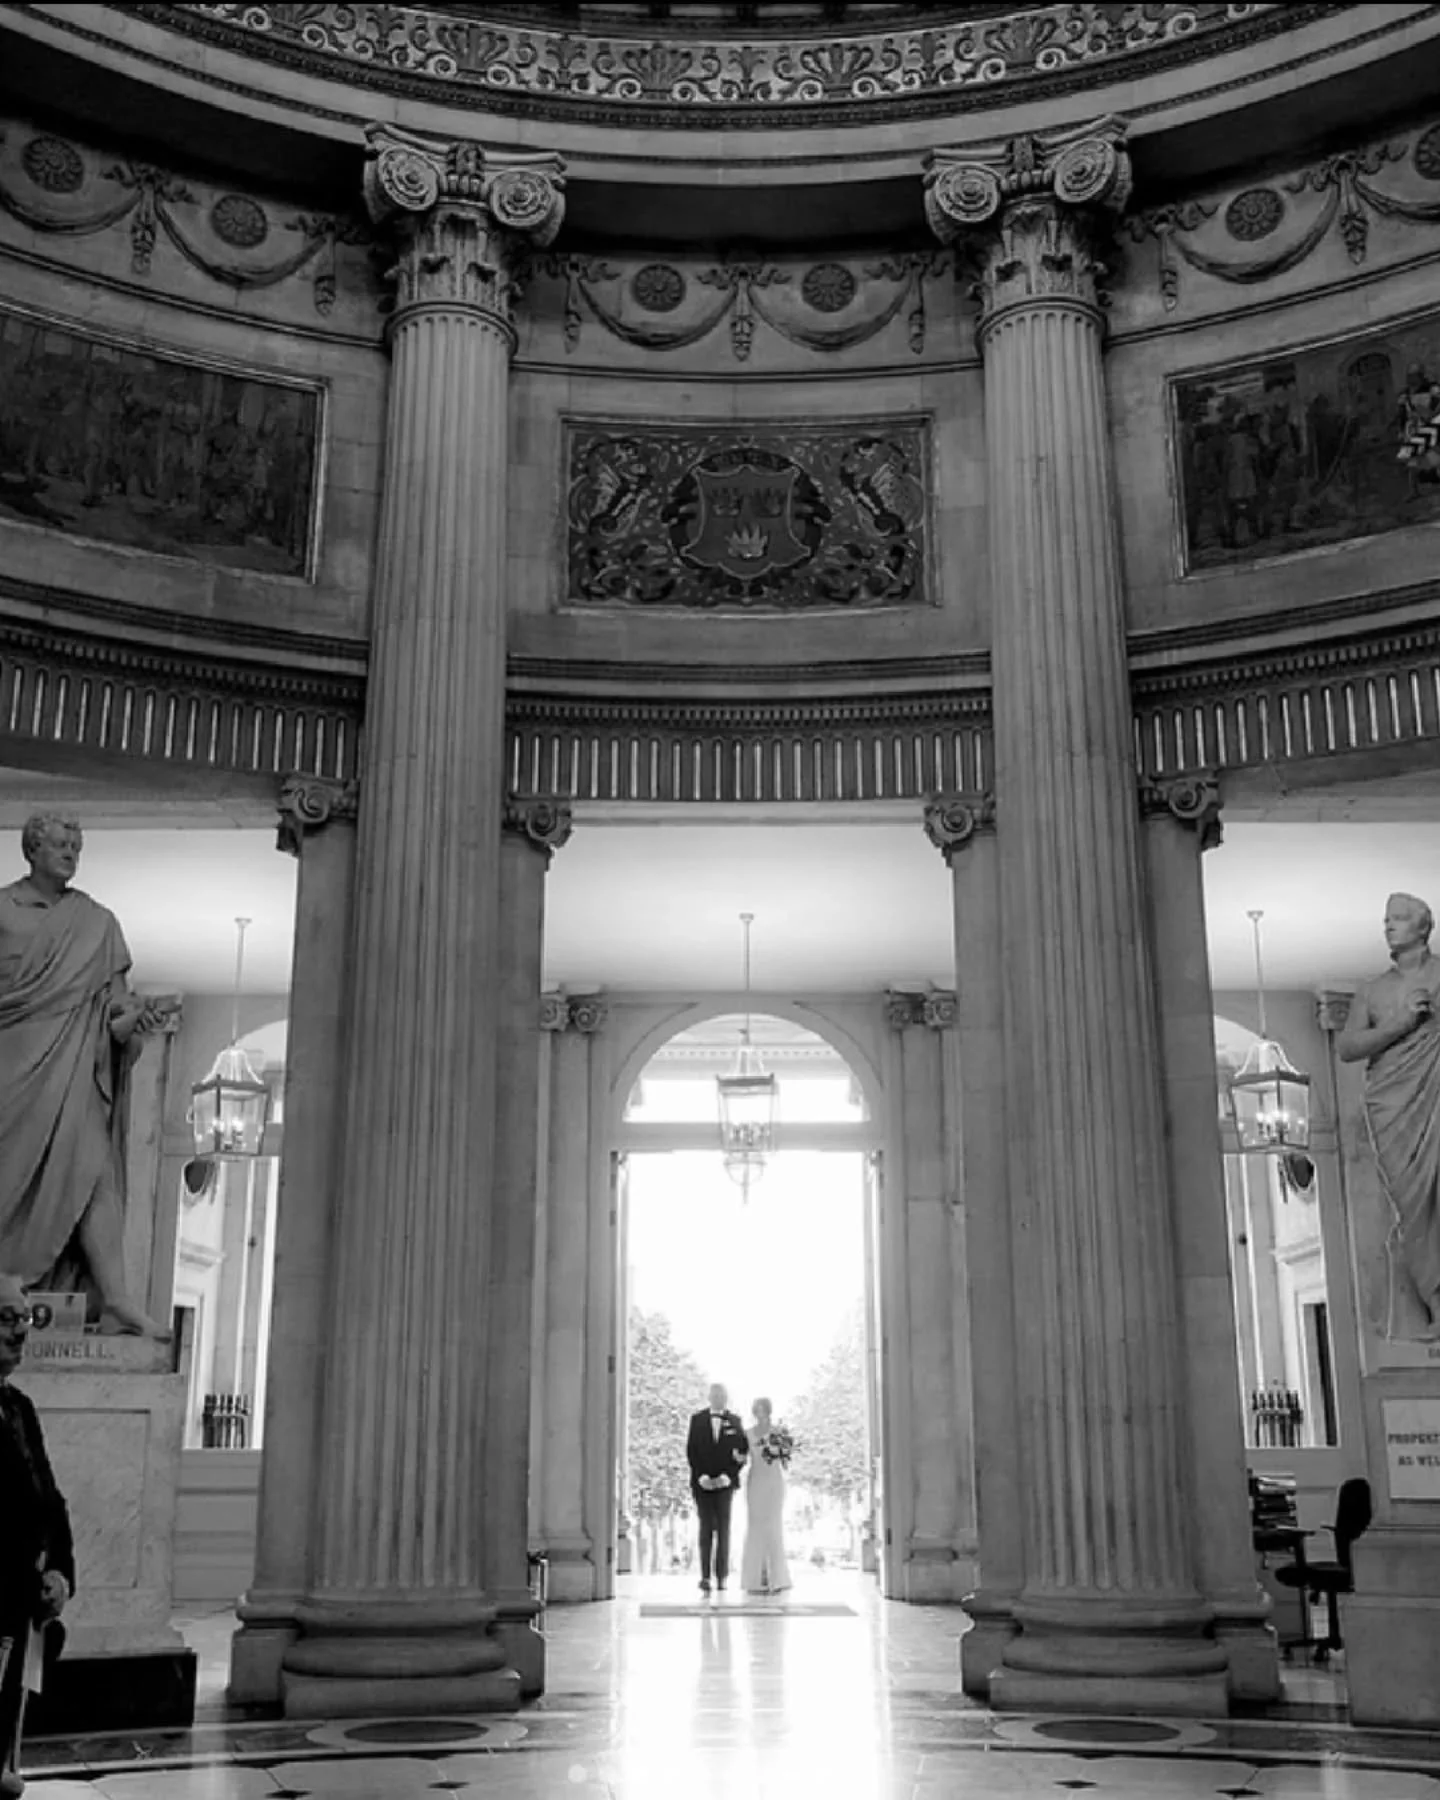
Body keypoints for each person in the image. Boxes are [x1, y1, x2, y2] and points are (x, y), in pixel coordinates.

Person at [0, 814, 170, 1336]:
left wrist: (135, 1018)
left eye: (76, 845)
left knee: (93, 1172)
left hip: (77, 1066)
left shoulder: (97, 923)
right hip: (13, 1064)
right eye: (60, 844)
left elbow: (114, 1009)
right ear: (32, 849)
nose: (71, 854)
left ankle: (116, 1298)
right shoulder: (2, 910)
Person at [1338, 892, 1440, 1339]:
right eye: (1386, 920)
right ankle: (1433, 1299)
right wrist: (1400, 1023)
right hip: (1392, 1105)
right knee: (1411, 1203)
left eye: (1398, 919)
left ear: (1424, 927)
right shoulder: (1372, 990)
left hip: (1435, 1090)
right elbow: (1347, 1048)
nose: (1388, 926)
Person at [0, 1272, 74, 1798]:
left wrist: (60, 1573)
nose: (20, 1330)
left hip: (19, 1609)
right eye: (6, 1318)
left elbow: (49, 1500)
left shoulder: (18, 1406)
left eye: (23, 1317)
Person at [685, 1382, 748, 1596]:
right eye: (715, 1395)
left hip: (724, 1484)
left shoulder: (735, 1421)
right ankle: (704, 1576)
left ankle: (722, 1576)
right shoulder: (697, 1420)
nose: (719, 1398)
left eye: (722, 1395)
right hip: (702, 1484)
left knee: (723, 1529)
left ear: (726, 1398)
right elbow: (692, 1451)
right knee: (705, 1528)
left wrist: (727, 1476)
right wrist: (701, 1476)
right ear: (709, 1397)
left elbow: (742, 1452)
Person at [740, 1397, 792, 1597]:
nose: (760, 1413)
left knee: (773, 1526)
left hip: (774, 1482)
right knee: (755, 1526)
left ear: (769, 1411)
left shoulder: (779, 1432)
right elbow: (743, 1457)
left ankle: (776, 1577)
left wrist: (780, 1450)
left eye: (763, 1410)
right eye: (757, 1410)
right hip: (756, 1482)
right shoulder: (748, 1433)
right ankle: (755, 1578)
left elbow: (786, 1456)